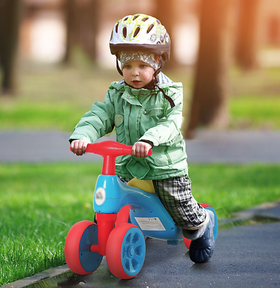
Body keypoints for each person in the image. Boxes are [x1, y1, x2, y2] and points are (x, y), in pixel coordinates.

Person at [69, 14, 216, 263]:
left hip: (163, 166)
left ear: (158, 63)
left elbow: (171, 124)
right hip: (128, 164)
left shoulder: (169, 94)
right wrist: (83, 136)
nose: (134, 73)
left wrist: (149, 140)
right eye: (127, 66)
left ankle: (202, 224)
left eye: (142, 66)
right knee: (112, 201)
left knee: (181, 211)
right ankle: (106, 233)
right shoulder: (117, 93)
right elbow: (99, 115)